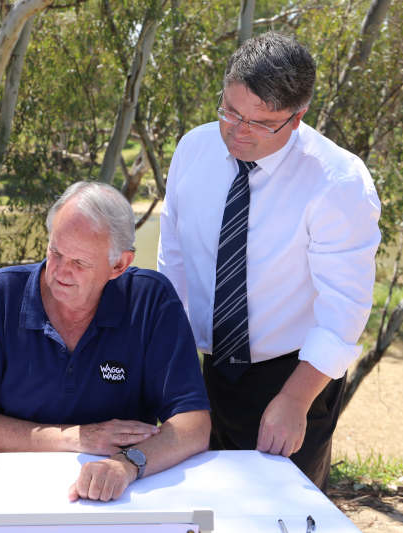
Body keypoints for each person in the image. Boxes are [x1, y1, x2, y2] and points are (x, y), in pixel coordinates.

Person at [157, 31, 381, 492]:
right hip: (202, 370)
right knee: (201, 507)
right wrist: (167, 363)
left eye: (260, 123)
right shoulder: (193, 150)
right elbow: (173, 261)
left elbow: (345, 310)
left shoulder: (338, 182)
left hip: (293, 375)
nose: (238, 131)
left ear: (297, 119)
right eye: (230, 111)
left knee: (283, 513)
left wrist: (295, 399)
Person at [0, 181, 211, 502]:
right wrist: (79, 437)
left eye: (80, 263)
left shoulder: (151, 300)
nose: (61, 271)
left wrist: (127, 464)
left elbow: (194, 424)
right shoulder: (2, 294)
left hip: (117, 495)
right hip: (11, 489)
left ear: (119, 265)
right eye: (56, 252)